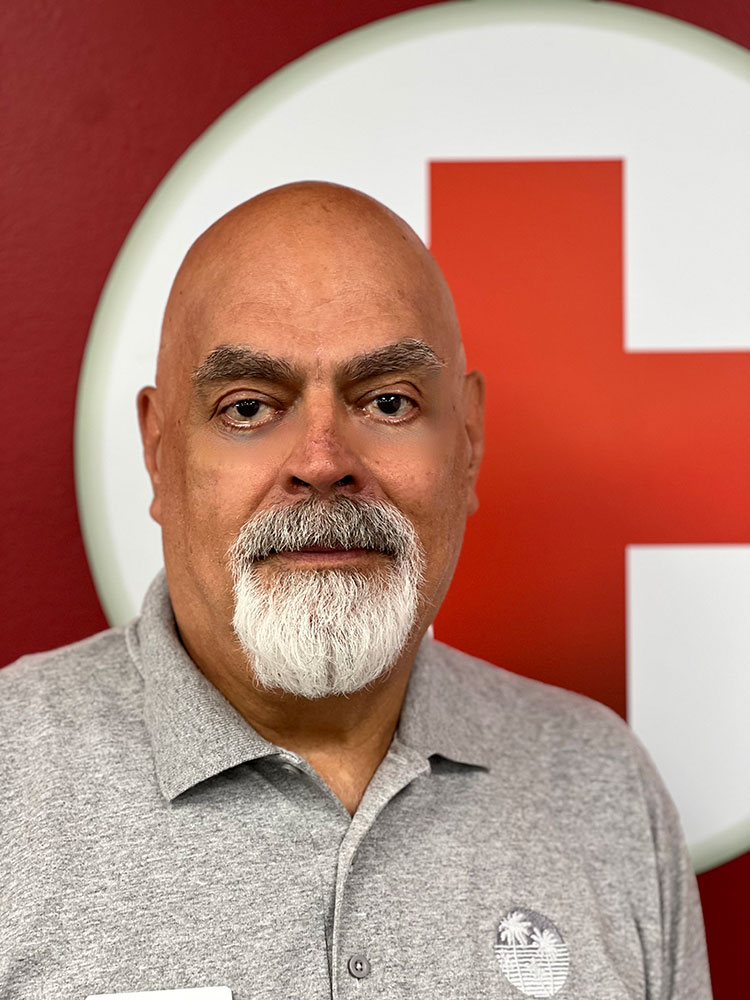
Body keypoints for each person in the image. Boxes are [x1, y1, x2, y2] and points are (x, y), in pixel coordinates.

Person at [1, 182, 711, 999]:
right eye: (247, 407)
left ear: (469, 443)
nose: (322, 460)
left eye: (387, 401)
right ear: (160, 453)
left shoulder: (604, 786)